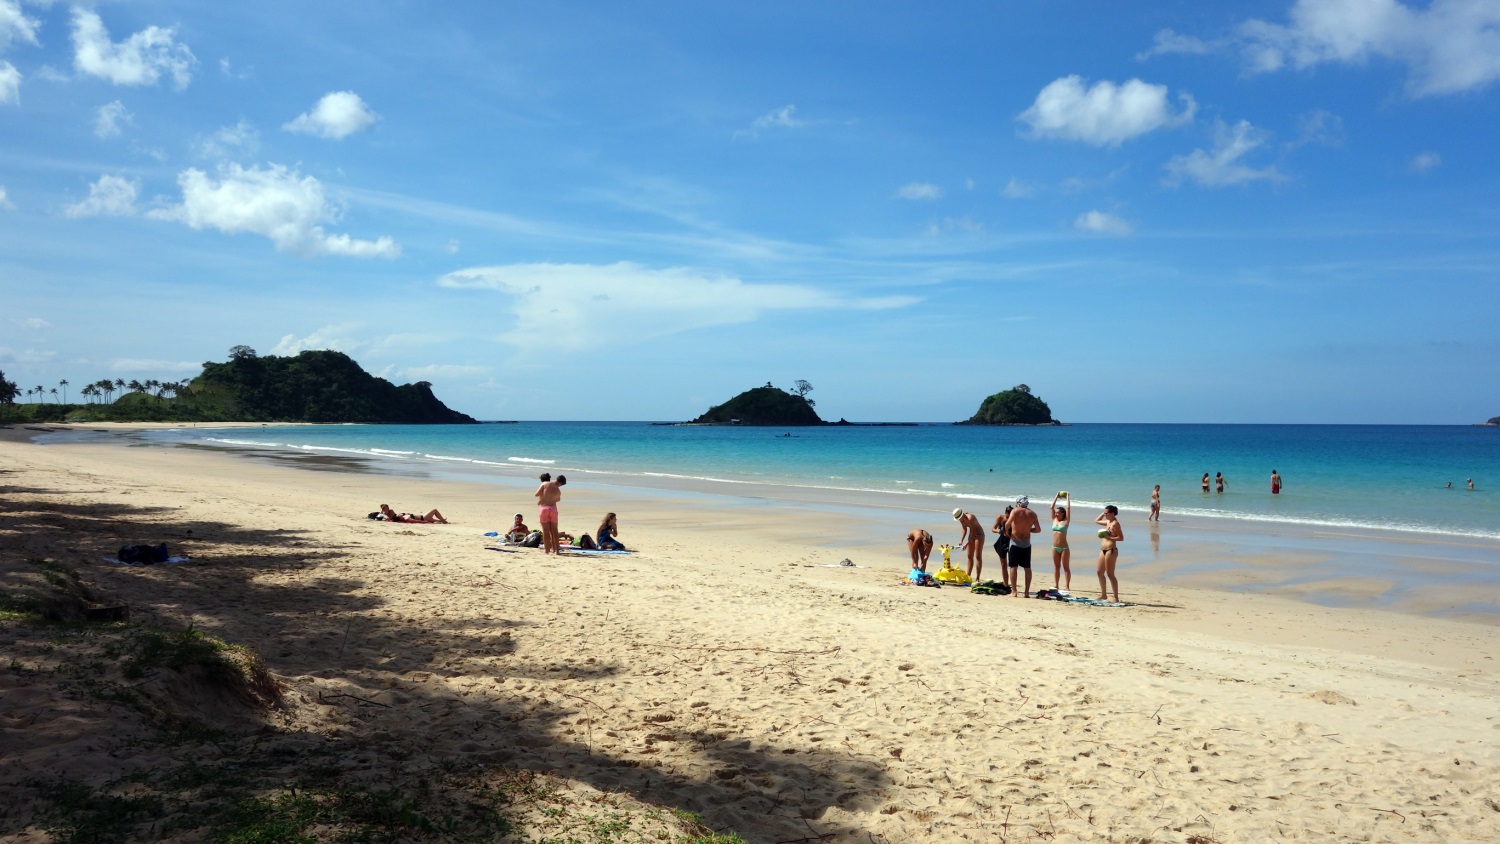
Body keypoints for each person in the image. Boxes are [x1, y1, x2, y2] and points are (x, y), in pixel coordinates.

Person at [1004, 496, 1041, 597]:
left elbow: (1007, 524)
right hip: (1026, 543)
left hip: (1015, 542)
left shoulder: (1015, 511)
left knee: (1013, 566)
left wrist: (1007, 532)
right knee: (1027, 567)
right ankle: (1026, 592)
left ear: (1018, 503)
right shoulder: (1032, 514)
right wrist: (1028, 529)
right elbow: (1038, 529)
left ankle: (1014, 591)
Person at [1095, 504, 1124, 603]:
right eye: (1104, 513)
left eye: (1106, 513)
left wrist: (1109, 538)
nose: (1105, 514)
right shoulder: (1108, 521)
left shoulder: (1115, 524)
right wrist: (1103, 513)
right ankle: (1104, 595)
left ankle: (1115, 597)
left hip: (1111, 550)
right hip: (1103, 549)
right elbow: (1096, 520)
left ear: (1112, 513)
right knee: (1099, 572)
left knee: (1110, 574)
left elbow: (1121, 538)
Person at [535, 473, 568, 555]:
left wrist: (542, 498)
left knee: (545, 531)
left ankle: (546, 551)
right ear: (560, 482)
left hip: (544, 508)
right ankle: (557, 550)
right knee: (555, 531)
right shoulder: (558, 490)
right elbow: (558, 499)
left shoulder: (544, 484)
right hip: (553, 509)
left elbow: (536, 494)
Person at [952, 508, 985, 582]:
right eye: (959, 519)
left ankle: (977, 578)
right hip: (971, 535)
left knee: (978, 556)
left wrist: (966, 544)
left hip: (979, 535)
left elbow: (973, 532)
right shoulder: (961, 519)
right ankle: (968, 576)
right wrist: (961, 540)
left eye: (960, 518)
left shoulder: (970, 518)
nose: (960, 520)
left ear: (962, 514)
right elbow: (964, 529)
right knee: (969, 556)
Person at [1050, 493, 1072, 591]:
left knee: (1066, 567)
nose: (1056, 513)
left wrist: (1067, 497)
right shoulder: (1054, 519)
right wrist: (1056, 495)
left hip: (1064, 548)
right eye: (1056, 512)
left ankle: (1067, 586)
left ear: (1063, 514)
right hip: (1054, 547)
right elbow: (1051, 507)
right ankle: (1056, 585)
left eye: (1058, 512)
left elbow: (1068, 508)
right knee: (1056, 567)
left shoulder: (1066, 521)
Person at [990, 506, 1013, 591]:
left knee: (1012, 564)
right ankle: (1006, 584)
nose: (1008, 518)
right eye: (1007, 516)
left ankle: (1012, 584)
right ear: (1005, 513)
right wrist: (998, 531)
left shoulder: (1014, 518)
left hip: (1012, 540)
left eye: (1010, 516)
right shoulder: (1000, 517)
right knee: (1003, 564)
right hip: (1002, 540)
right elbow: (993, 529)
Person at [377, 503, 448, 524]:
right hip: (422, 518)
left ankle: (442, 520)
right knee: (434, 510)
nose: (384, 511)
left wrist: (383, 511)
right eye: (384, 509)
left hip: (422, 517)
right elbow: (380, 515)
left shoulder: (390, 512)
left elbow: (382, 514)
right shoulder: (388, 514)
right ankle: (443, 521)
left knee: (435, 520)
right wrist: (424, 522)